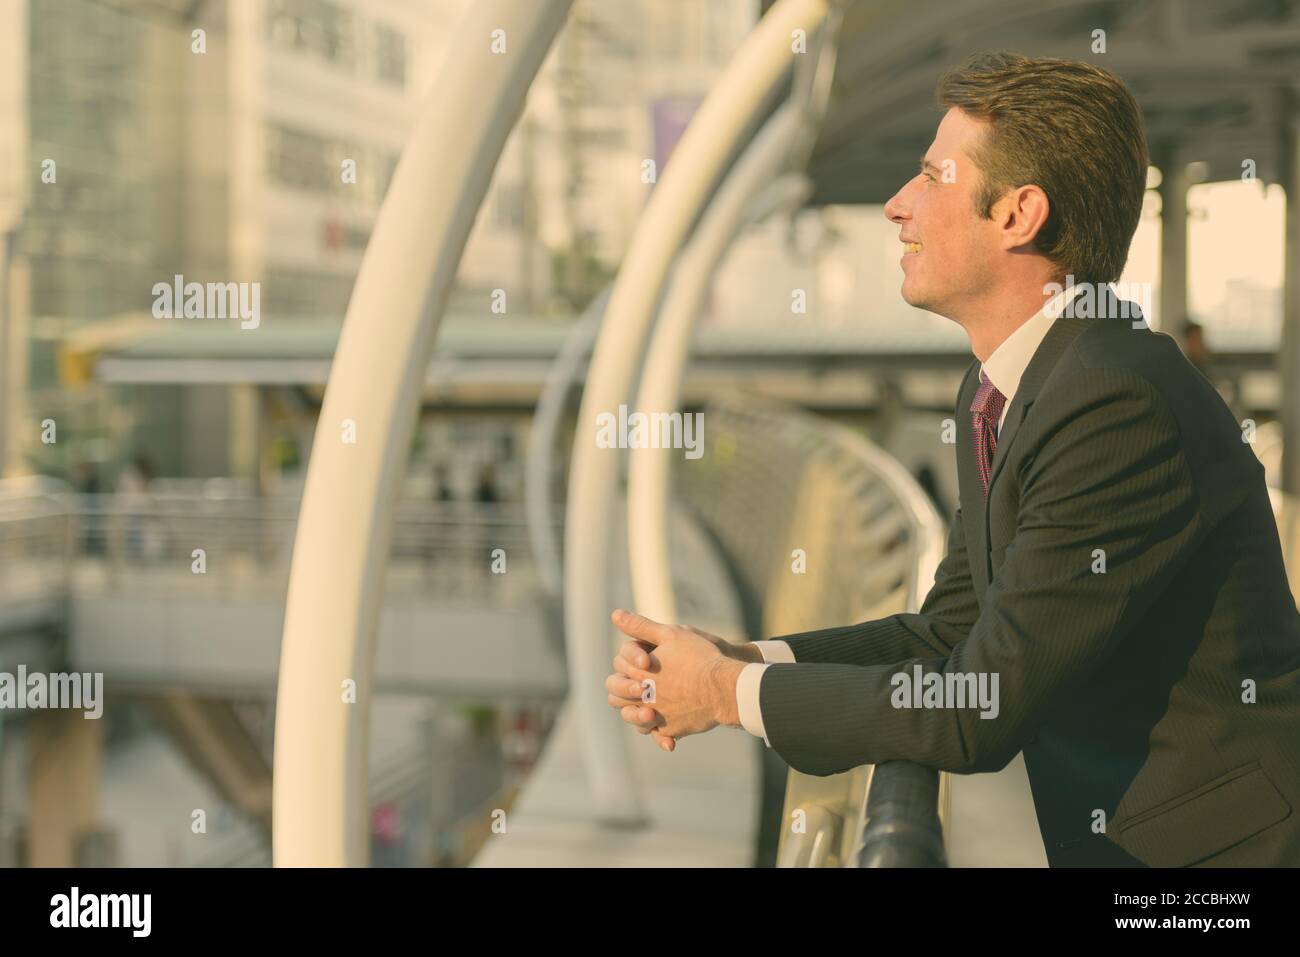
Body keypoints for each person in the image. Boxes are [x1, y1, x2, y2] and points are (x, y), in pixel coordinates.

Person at [604, 52, 1300, 867]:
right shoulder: (1010, 384)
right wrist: (748, 658)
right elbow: (949, 631)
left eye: (934, 176)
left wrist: (725, 696)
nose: (898, 206)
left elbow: (980, 703)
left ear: (1019, 214)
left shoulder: (1115, 402)